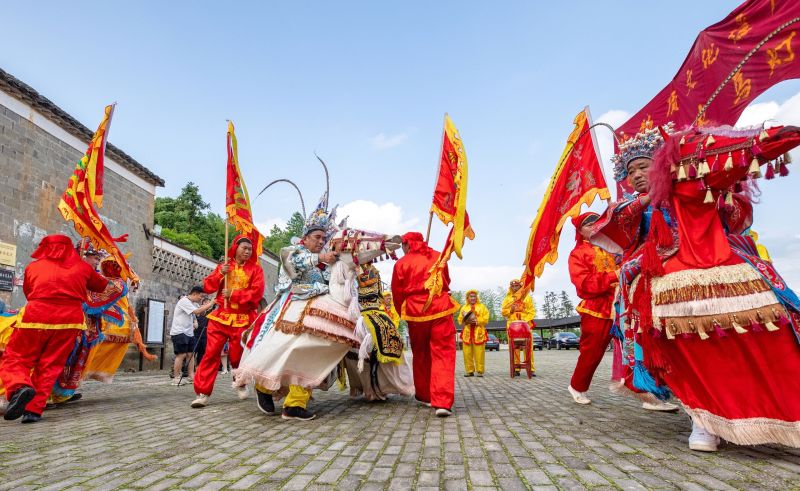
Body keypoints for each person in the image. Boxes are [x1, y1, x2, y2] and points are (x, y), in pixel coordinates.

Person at [590, 123, 800, 450]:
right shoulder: (633, 205)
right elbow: (615, 223)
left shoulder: (690, 181)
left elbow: (732, 197)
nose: (637, 175)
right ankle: (700, 418)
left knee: (774, 307)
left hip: (711, 250)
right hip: (656, 269)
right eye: (631, 172)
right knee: (641, 304)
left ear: (661, 164)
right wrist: (648, 199)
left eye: (644, 167)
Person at [236, 199, 340, 421]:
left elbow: (333, 285)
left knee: (312, 351)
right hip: (289, 308)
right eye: (317, 237)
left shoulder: (324, 265)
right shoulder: (291, 251)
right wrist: (321, 258)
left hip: (317, 312)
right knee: (281, 350)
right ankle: (264, 388)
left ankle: (295, 403)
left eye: (324, 238)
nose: (321, 242)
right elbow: (294, 265)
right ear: (305, 237)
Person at [0, 235, 114, 423]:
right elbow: (101, 286)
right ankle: (33, 411)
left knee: (16, 358)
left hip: (35, 318)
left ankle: (19, 387)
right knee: (50, 365)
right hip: (69, 322)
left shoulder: (32, 267)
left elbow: (29, 293)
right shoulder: (82, 267)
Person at [392, 232, 459, 417]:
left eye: (402, 246)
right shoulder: (439, 256)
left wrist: (402, 313)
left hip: (416, 312)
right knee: (443, 353)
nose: (402, 249)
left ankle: (425, 395)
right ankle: (443, 402)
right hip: (441, 308)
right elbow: (446, 280)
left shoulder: (401, 263)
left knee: (421, 354)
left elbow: (397, 293)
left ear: (407, 244)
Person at [192, 236, 264, 408]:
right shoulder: (224, 266)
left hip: (243, 318)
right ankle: (202, 392)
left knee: (237, 355)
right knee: (210, 354)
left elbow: (257, 294)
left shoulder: (256, 270)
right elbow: (208, 287)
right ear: (235, 248)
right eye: (244, 248)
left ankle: (240, 382)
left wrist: (233, 294)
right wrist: (219, 274)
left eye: (250, 249)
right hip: (220, 317)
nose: (247, 251)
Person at [566, 212, 617, 404]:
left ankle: (645, 392)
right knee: (593, 352)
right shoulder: (578, 254)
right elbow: (584, 284)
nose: (594, 227)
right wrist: (614, 275)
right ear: (580, 231)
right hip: (596, 309)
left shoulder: (612, 249)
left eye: (598, 223)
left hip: (621, 305)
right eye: (589, 225)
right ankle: (577, 386)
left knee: (634, 349)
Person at [170, 286, 213, 386]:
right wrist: (211, 303)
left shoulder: (194, 303)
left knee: (191, 355)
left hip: (189, 332)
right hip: (179, 332)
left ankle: (191, 376)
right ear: (194, 294)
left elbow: (201, 312)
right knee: (181, 355)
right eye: (200, 296)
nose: (201, 299)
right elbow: (197, 312)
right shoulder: (184, 301)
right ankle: (176, 377)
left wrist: (210, 306)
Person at [501, 279, 536, 376]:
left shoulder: (527, 298)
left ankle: (531, 368)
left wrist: (523, 321)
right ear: (510, 287)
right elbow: (503, 312)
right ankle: (516, 368)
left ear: (521, 287)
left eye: (517, 286)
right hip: (512, 326)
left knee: (528, 347)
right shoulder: (508, 299)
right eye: (513, 286)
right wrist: (510, 311)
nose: (515, 288)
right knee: (514, 347)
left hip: (525, 326)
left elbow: (532, 312)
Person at [458, 290, 489, 377]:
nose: (472, 298)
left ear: (476, 297)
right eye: (471, 296)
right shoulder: (464, 308)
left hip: (478, 333)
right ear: (467, 298)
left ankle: (480, 371)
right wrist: (466, 321)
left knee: (479, 353)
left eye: (474, 296)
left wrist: (477, 321)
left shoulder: (482, 307)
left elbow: (486, 319)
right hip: (467, 333)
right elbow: (460, 320)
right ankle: (469, 371)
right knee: (467, 353)